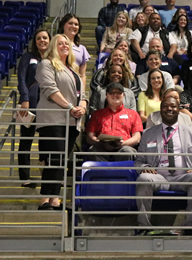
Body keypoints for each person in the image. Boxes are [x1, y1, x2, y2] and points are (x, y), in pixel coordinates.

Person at [135, 96, 192, 236]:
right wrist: (144, 165)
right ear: (160, 110)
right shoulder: (148, 133)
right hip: (159, 177)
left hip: (184, 176)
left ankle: (190, 228)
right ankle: (143, 227)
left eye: (173, 106)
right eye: (165, 106)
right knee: (143, 178)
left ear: (178, 110)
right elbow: (139, 160)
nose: (169, 109)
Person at [35, 34, 87, 210]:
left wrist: (83, 108)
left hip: (71, 122)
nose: (65, 45)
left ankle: (55, 200)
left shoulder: (72, 69)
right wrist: (71, 107)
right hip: (53, 121)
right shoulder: (46, 64)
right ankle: (45, 200)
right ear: (52, 46)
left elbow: (83, 95)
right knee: (54, 159)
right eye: (60, 43)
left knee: (62, 161)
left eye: (67, 43)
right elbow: (51, 90)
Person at [17, 29, 51, 188]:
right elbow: (21, 79)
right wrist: (24, 98)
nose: (42, 40)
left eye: (45, 38)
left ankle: (46, 176)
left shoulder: (53, 59)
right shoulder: (27, 57)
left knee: (46, 142)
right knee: (26, 141)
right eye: (39, 38)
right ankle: (25, 177)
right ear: (35, 41)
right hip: (29, 105)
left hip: (49, 106)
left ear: (50, 40)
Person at [86, 83, 142, 162]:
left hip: (124, 146)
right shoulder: (97, 114)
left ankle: (123, 174)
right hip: (101, 147)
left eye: (119, 93)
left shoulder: (133, 114)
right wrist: (100, 143)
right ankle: (100, 174)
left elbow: (137, 137)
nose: (115, 95)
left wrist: (124, 143)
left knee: (128, 152)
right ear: (106, 96)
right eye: (112, 93)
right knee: (93, 152)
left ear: (123, 95)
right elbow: (90, 136)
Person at [57, 14, 89, 91]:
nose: (73, 26)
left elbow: (82, 75)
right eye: (70, 23)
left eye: (76, 24)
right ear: (63, 25)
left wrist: (82, 94)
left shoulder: (82, 49)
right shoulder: (54, 43)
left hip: (74, 87)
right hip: (57, 85)